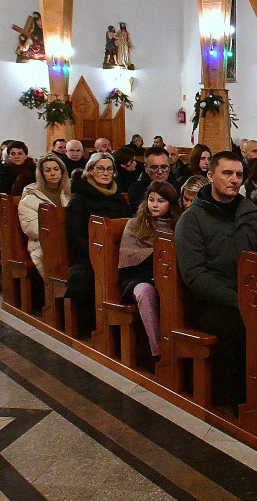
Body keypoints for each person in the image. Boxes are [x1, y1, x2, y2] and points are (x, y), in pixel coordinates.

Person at [175, 152, 257, 407]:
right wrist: (237, 300)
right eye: (227, 173)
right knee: (240, 327)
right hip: (212, 302)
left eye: (239, 174)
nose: (234, 180)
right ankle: (239, 401)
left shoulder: (251, 213)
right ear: (210, 176)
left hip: (252, 296)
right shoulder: (192, 219)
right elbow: (194, 274)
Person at [119, 181, 179, 358]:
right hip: (136, 277)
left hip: (167, 277)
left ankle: (175, 346)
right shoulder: (135, 224)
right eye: (151, 200)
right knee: (146, 292)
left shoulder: (177, 225)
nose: (154, 205)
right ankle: (158, 352)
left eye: (160, 201)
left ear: (170, 204)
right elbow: (129, 257)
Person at [65, 153, 130, 303]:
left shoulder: (118, 197)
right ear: (90, 171)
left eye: (109, 169)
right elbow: (74, 235)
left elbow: (126, 226)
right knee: (85, 280)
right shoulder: (79, 199)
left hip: (116, 254)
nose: (106, 173)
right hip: (86, 256)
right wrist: (98, 254)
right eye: (100, 168)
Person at [18, 154, 71, 278]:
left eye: (56, 169)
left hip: (68, 239)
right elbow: (32, 229)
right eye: (48, 170)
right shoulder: (30, 198)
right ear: (41, 174)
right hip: (42, 244)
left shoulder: (69, 193)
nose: (53, 173)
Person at [127, 146, 179, 212]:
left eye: (164, 167)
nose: (160, 172)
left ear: (169, 167)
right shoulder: (136, 189)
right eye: (154, 167)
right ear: (146, 168)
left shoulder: (177, 187)